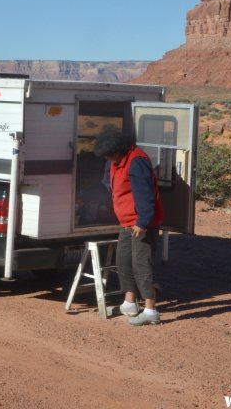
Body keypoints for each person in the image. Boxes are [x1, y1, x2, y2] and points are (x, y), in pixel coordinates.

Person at [95, 124, 163, 326]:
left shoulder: (136, 161)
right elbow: (111, 183)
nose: (108, 160)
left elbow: (145, 194)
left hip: (141, 223)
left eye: (109, 156)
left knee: (142, 265)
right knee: (124, 262)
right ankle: (130, 303)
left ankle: (150, 310)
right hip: (127, 222)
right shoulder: (118, 162)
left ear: (116, 150)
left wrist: (142, 221)